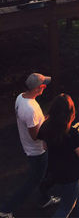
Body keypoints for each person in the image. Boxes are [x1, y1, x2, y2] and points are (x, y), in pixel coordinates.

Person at [37, 94, 79, 218]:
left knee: (77, 195)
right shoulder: (72, 133)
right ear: (70, 113)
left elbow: (44, 146)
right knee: (66, 208)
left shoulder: (46, 125)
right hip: (71, 174)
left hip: (55, 170)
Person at [1, 74, 56, 216]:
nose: (45, 87)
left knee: (44, 174)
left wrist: (45, 119)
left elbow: (34, 125)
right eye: (44, 85)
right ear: (40, 88)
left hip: (31, 149)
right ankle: (6, 210)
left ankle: (45, 198)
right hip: (37, 152)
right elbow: (36, 136)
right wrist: (50, 133)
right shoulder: (30, 110)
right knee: (32, 183)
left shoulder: (21, 97)